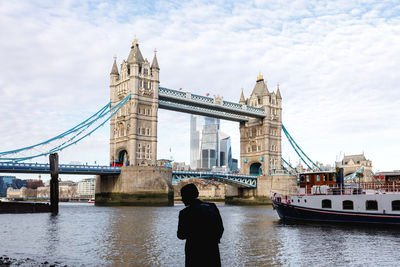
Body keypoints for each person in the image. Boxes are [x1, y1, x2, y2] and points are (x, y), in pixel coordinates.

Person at [177, 183, 224, 267]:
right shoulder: (212, 207)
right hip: (212, 250)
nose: (182, 199)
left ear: (186, 197)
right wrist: (213, 240)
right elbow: (220, 228)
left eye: (183, 196)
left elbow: (181, 235)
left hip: (194, 252)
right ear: (197, 194)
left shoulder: (184, 213)